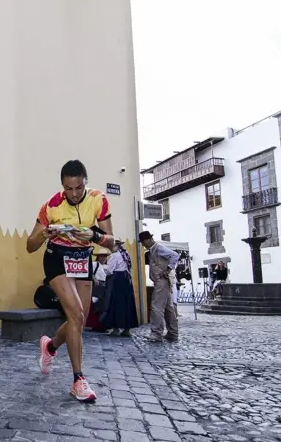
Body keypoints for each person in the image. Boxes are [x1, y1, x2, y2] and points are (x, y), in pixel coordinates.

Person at [26, 160, 117, 402]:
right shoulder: (51, 206)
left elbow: (111, 242)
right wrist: (44, 233)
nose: (74, 194)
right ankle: (78, 380)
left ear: (86, 183)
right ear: (62, 186)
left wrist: (94, 234)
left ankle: (50, 347)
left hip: (82, 259)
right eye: (68, 188)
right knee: (76, 313)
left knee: (79, 318)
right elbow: (29, 246)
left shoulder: (99, 199)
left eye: (79, 188)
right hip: (56, 258)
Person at [139, 231, 179, 342]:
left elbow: (175, 255)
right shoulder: (154, 250)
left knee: (156, 307)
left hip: (161, 281)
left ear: (147, 240)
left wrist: (168, 269)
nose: (143, 245)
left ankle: (157, 333)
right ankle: (173, 333)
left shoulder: (159, 248)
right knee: (168, 308)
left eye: (143, 242)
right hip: (162, 281)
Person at [102, 241, 138, 337]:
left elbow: (110, 270)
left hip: (118, 279)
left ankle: (116, 328)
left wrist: (104, 268)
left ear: (117, 246)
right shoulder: (126, 254)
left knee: (116, 302)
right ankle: (127, 329)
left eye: (112, 245)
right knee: (127, 303)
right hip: (126, 280)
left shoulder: (114, 256)